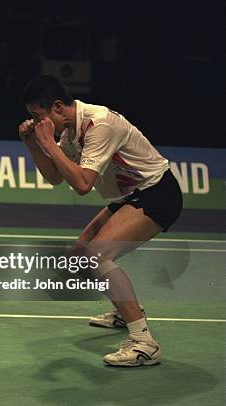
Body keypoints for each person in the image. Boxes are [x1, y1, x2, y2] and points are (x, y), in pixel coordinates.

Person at [18, 75, 183, 367]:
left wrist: (50, 145)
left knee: (97, 256)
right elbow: (56, 177)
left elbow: (82, 185)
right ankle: (126, 310)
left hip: (157, 193)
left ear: (57, 107)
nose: (35, 122)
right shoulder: (70, 132)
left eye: (37, 116)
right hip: (130, 196)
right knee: (81, 256)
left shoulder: (99, 124)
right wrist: (34, 145)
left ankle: (144, 343)